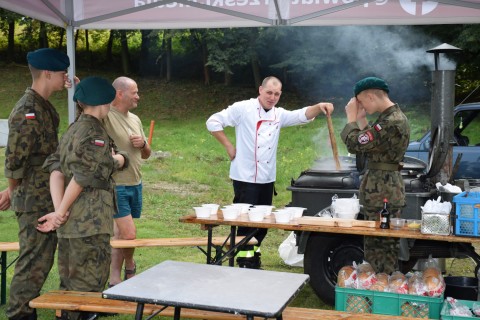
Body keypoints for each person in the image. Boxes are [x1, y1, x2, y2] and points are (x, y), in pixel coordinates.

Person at [206, 76, 334, 269]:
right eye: (269, 92)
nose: (272, 97)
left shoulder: (278, 115)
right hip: (245, 176)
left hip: (267, 177)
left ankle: (253, 254)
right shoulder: (243, 108)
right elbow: (213, 122)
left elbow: (301, 115)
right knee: (246, 221)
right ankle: (244, 260)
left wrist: (320, 106)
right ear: (260, 90)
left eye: (276, 94)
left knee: (263, 222)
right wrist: (229, 146)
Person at [37, 76, 128, 320]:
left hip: (70, 224)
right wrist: (119, 160)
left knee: (69, 288)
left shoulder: (73, 129)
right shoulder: (95, 133)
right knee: (87, 291)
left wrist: (59, 212)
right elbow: (82, 176)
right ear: (106, 102)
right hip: (89, 223)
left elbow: (56, 169)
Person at [1, 48, 72, 320]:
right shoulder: (27, 110)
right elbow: (14, 161)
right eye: (62, 73)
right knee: (33, 264)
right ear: (47, 73)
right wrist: (12, 190)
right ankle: (19, 315)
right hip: (33, 200)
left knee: (40, 262)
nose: (66, 77)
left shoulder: (42, 104)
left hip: (44, 196)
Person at [340, 76, 410, 274]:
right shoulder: (388, 118)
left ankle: (381, 290)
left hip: (383, 193)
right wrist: (362, 119)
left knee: (381, 249)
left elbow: (356, 144)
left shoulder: (391, 121)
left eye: (360, 101)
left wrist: (351, 119)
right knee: (376, 247)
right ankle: (378, 286)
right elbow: (371, 143)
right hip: (382, 190)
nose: (360, 106)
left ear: (370, 96)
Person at [102, 77, 151, 287]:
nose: (138, 96)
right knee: (129, 234)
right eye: (135, 92)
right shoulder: (105, 116)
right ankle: (129, 267)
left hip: (135, 183)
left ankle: (114, 279)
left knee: (120, 233)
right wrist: (77, 86)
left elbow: (147, 154)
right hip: (117, 184)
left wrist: (144, 144)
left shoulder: (136, 119)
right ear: (120, 94)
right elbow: (84, 106)